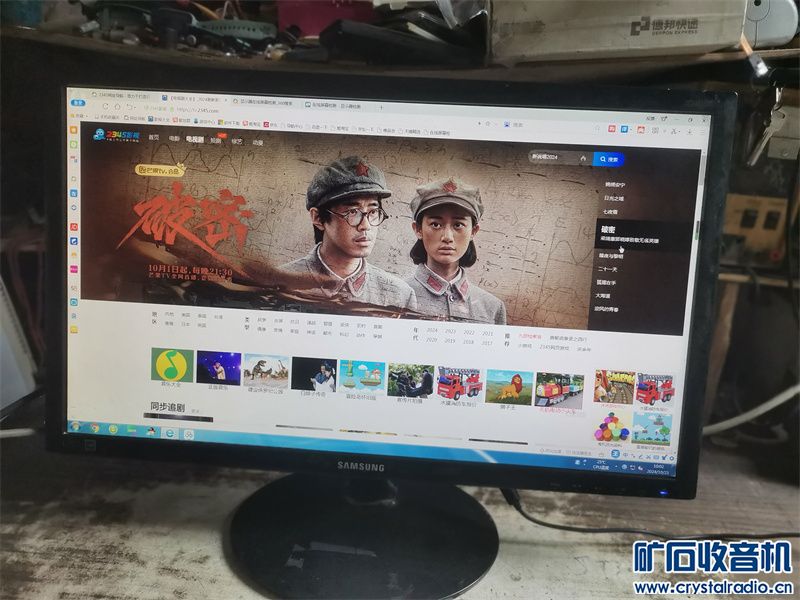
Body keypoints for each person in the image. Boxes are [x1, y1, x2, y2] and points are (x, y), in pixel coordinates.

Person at [281, 156, 417, 311]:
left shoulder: (399, 296)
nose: (365, 226)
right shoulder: (277, 284)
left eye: (373, 212)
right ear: (318, 218)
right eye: (353, 212)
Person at [405, 178, 507, 324]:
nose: (447, 237)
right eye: (435, 224)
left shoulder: (492, 308)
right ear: (418, 229)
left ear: (474, 231)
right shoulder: (397, 296)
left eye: (458, 225)